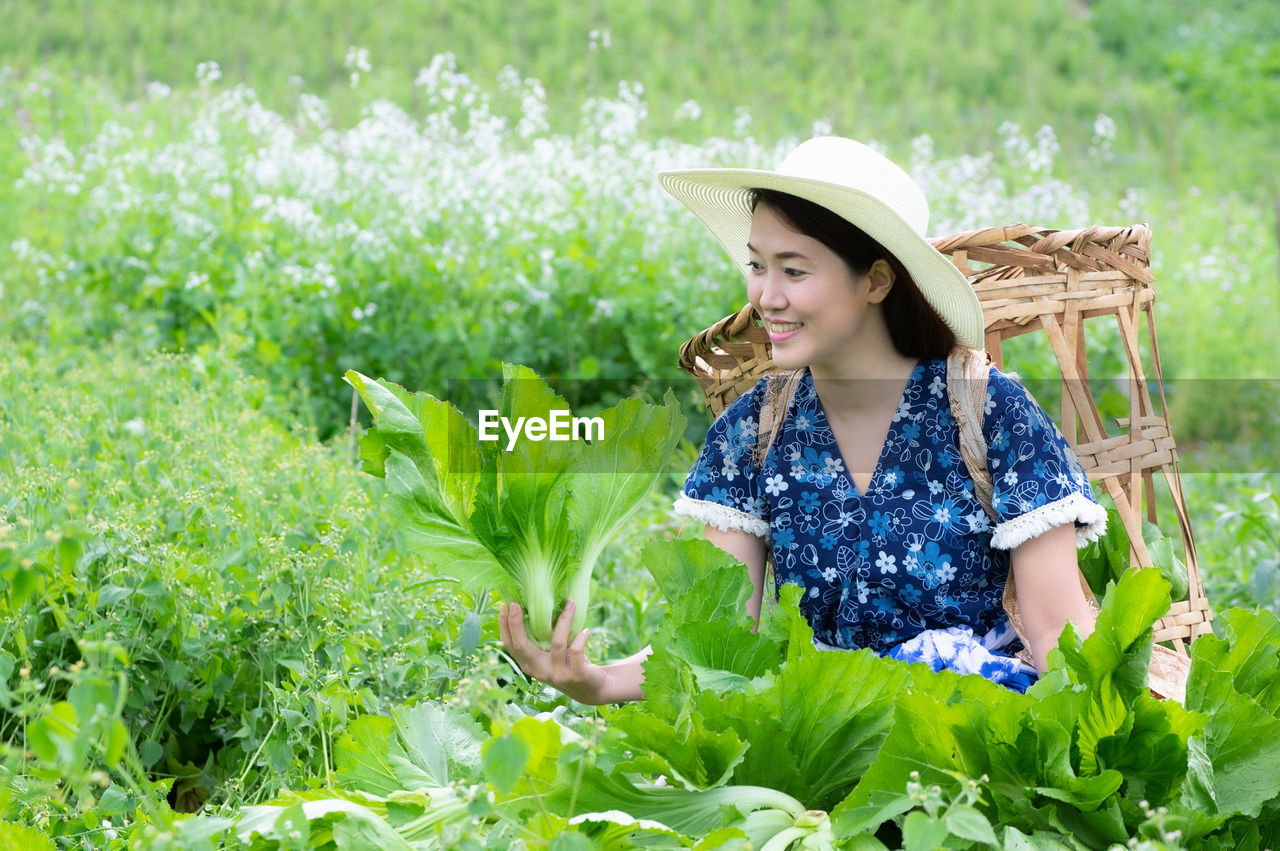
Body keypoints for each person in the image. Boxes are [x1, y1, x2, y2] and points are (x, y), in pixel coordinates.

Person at [499, 136, 1105, 704]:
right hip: (818, 727)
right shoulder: (753, 433)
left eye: (794, 270)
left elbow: (1059, 640)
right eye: (757, 265)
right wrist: (596, 682)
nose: (765, 296)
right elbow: (728, 641)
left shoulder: (990, 413)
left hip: (966, 729)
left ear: (875, 280)